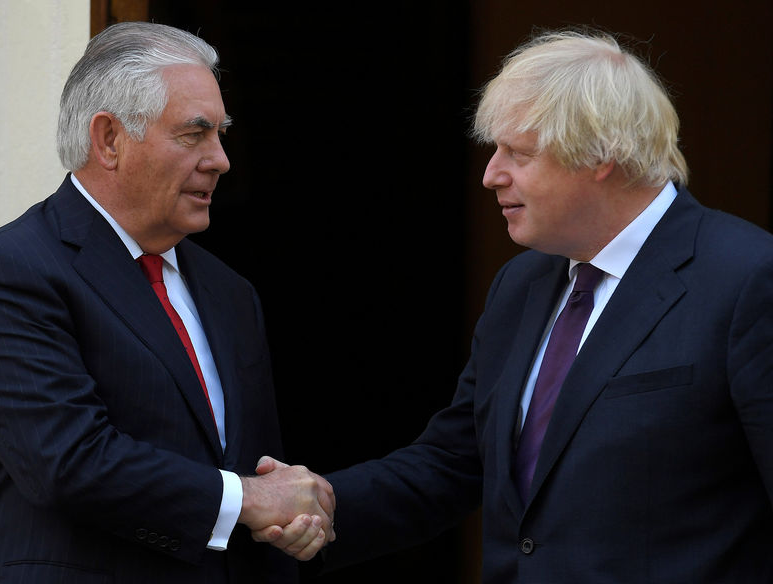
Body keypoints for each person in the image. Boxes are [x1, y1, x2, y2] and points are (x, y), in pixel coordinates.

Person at [257, 29, 773, 582]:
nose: (490, 174)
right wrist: (319, 508)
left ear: (600, 155)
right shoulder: (522, 283)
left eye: (519, 154)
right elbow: (456, 462)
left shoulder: (747, 278)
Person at [0, 21, 334, 583]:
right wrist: (250, 499)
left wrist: (287, 516)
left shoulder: (230, 292)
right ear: (109, 139)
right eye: (194, 135)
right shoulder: (10, 270)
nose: (220, 160)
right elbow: (69, 462)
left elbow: (260, 478)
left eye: (220, 134)